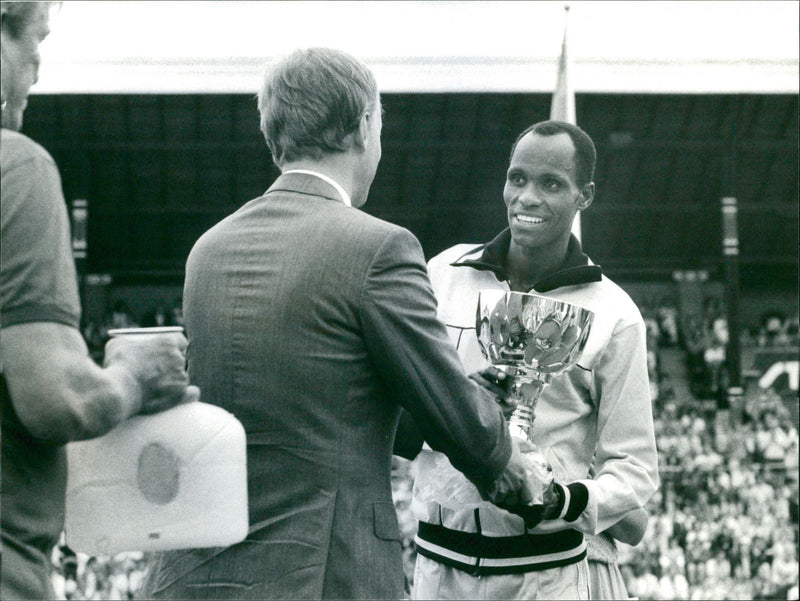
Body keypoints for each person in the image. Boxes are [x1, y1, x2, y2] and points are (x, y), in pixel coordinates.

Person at [142, 47, 535, 600]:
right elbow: (453, 417)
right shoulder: (379, 247)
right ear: (364, 125)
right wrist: (506, 460)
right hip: (325, 572)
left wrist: (454, 401)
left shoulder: (208, 250)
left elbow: (315, 402)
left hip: (203, 571)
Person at [398, 120, 659, 600]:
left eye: (552, 184)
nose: (528, 197)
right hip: (438, 570)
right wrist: (458, 407)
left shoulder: (616, 315)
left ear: (586, 195)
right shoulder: (443, 274)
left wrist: (558, 501)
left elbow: (635, 471)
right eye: (517, 178)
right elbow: (402, 410)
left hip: (546, 575)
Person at [0, 3, 199, 599]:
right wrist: (134, 378)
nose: (36, 71)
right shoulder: (16, 166)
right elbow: (58, 399)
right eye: (37, 42)